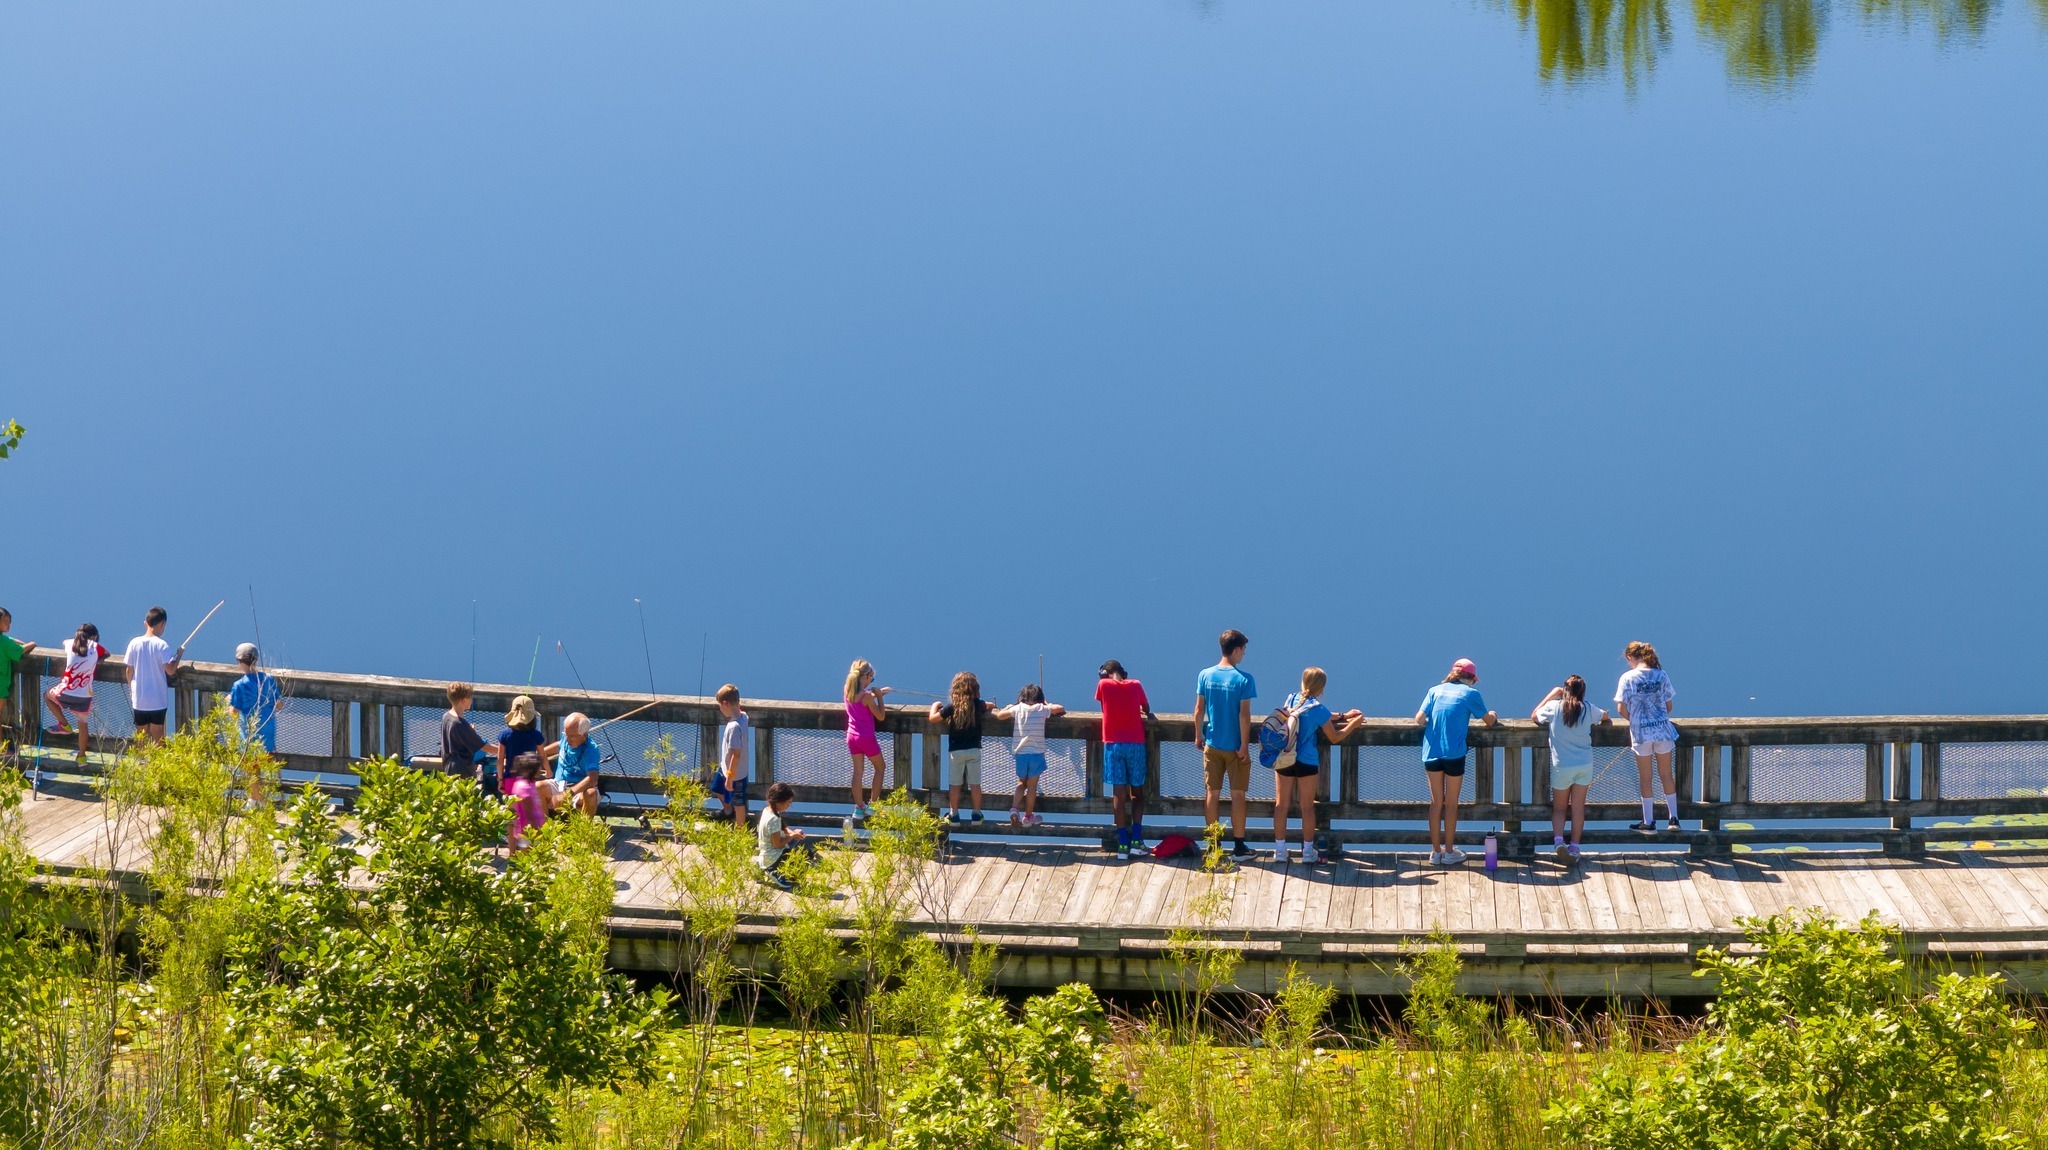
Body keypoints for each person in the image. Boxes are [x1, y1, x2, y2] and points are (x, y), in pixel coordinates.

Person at [1270, 668, 1366, 865]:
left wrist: (1341, 715)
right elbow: (1334, 737)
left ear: (1303, 682)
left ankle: (1280, 850)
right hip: (1306, 761)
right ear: (1321, 689)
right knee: (1307, 807)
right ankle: (1307, 851)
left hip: (1285, 757)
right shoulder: (1319, 709)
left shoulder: (1290, 699)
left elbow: (1306, 711)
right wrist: (1352, 725)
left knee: (1281, 805)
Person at [1415, 658, 1497, 866]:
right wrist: (1494, 716)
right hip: (1454, 754)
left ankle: (1435, 853)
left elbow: (1418, 719)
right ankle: (1449, 852)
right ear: (1470, 678)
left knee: (1436, 803)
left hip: (1431, 752)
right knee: (1451, 804)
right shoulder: (1471, 694)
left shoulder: (1435, 690)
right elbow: (1488, 721)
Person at [1193, 629, 1257, 859]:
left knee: (1212, 793)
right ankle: (1239, 846)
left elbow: (1199, 709)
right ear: (1237, 649)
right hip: (1235, 747)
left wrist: (1198, 735)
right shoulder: (1244, 679)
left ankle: (1213, 846)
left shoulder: (1205, 675)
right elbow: (1244, 716)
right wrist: (1244, 746)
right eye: (1244, 650)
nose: (1244, 655)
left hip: (1212, 743)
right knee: (1238, 795)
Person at [1533, 675, 1610, 861]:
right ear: (1582, 691)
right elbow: (1605, 716)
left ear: (1564, 690)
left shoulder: (1554, 707)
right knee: (1577, 808)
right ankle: (1574, 847)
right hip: (1584, 764)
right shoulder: (1588, 709)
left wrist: (1552, 694)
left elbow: (1534, 716)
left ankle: (1559, 842)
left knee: (1559, 808)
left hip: (1562, 765)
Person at [1615, 641, 1681, 833]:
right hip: (1663, 731)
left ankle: (1649, 821)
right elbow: (1669, 707)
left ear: (1630, 658)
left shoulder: (1627, 678)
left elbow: (1621, 708)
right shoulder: (1661, 675)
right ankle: (1674, 819)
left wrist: (1635, 720)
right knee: (1666, 774)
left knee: (1646, 777)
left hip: (1641, 734)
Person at [1095, 660, 1155, 860]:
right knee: (1137, 793)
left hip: (1113, 745)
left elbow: (1104, 704)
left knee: (1118, 796)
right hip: (1136, 744)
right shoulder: (1136, 684)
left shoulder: (1103, 685)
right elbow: (1146, 708)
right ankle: (1136, 841)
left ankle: (1122, 843)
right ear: (1123, 672)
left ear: (1104, 673)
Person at [929, 671, 996, 823]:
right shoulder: (978, 705)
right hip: (973, 750)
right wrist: (990, 705)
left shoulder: (951, 707)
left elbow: (933, 719)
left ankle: (954, 814)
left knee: (955, 784)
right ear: (975, 690)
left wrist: (935, 706)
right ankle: (977, 814)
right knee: (975, 784)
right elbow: (990, 705)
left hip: (956, 751)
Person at [995, 684, 1064, 827]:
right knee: (1032, 787)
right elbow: (1060, 708)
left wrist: (1008, 708)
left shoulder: (1018, 708)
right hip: (1036, 754)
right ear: (1040, 698)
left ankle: (1014, 809)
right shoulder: (1042, 709)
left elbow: (999, 716)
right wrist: (1047, 704)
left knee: (1022, 783)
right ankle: (1028, 817)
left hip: (1021, 754)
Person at [494, 694, 549, 851]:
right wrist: (549, 770)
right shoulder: (536, 735)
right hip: (528, 780)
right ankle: (529, 849)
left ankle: (512, 852)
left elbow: (499, 760)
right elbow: (542, 755)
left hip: (510, 780)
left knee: (513, 818)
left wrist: (500, 779)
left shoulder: (505, 735)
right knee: (528, 813)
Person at [46, 624, 107, 763]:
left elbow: (64, 642)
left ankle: (64, 724)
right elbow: (107, 653)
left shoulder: (70, 643)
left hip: (66, 691)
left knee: (47, 695)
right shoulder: (96, 647)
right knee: (83, 724)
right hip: (85, 696)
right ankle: (82, 756)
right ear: (95, 637)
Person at [123, 606, 184, 742]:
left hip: (139, 699)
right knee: (158, 736)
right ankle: (157, 763)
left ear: (146, 623)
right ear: (163, 624)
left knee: (141, 736)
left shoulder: (134, 643)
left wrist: (131, 689)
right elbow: (171, 670)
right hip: (157, 700)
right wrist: (179, 655)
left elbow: (129, 670)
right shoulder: (162, 645)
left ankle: (141, 763)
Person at [844, 660, 892, 818]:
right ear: (866, 676)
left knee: (857, 772)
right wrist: (879, 697)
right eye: (872, 677)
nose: (872, 680)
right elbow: (881, 716)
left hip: (852, 736)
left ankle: (858, 808)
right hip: (866, 737)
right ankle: (873, 804)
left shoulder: (848, 690)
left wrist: (875, 694)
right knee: (880, 768)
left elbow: (861, 700)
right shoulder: (867, 697)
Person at [757, 780, 816, 891]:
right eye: (788, 803)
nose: (789, 806)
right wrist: (792, 836)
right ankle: (775, 872)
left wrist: (792, 833)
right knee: (806, 855)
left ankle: (766, 866)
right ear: (779, 802)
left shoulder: (768, 810)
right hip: (773, 856)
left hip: (766, 852)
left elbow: (783, 827)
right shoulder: (773, 819)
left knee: (800, 846)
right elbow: (777, 844)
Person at [543, 712, 603, 816]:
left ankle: (583, 830)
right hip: (559, 784)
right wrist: (541, 752)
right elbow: (559, 745)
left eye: (572, 736)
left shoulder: (591, 750)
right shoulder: (567, 739)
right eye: (565, 734)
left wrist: (568, 794)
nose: (567, 739)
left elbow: (593, 778)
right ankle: (542, 828)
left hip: (577, 789)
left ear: (584, 735)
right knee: (538, 787)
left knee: (591, 794)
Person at [440, 682, 496, 792]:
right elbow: (483, 746)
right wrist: (504, 751)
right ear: (463, 700)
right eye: (470, 697)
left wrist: (469, 732)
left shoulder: (446, 716)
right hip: (461, 769)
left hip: (449, 766)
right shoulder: (459, 723)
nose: (472, 700)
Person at [227, 643, 282, 754]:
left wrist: (228, 701)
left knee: (251, 768)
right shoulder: (269, 679)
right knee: (268, 766)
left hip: (249, 734)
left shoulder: (239, 685)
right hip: (268, 732)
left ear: (239, 661)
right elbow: (280, 705)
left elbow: (233, 712)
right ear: (256, 660)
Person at [713, 684, 751, 825]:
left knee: (739, 803)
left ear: (725, 703)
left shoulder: (733, 727)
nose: (720, 709)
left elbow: (736, 755)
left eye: (720, 706)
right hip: (726, 768)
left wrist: (730, 778)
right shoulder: (744, 717)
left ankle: (740, 831)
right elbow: (741, 710)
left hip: (735, 774)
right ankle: (728, 811)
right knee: (716, 789)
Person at [0, 608, 35, 760]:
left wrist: (10, 639)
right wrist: (33, 643)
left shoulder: (5, 642)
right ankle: (3, 748)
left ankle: (3, 748)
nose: (9, 625)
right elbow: (21, 649)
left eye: (10, 622)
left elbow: (11, 643)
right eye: (5, 621)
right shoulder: (5, 643)